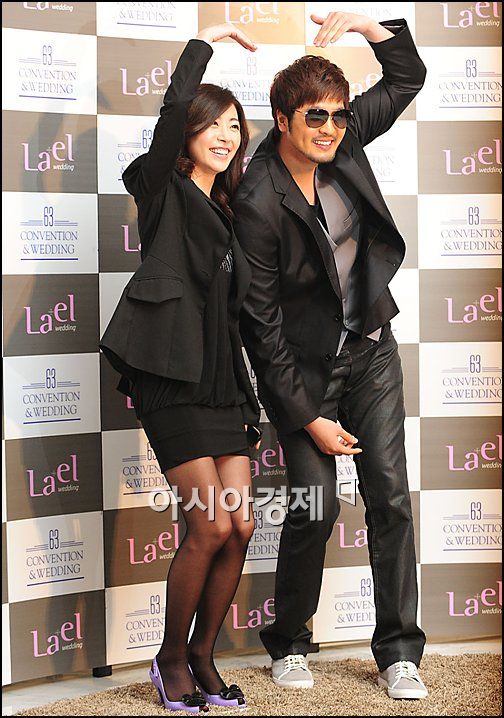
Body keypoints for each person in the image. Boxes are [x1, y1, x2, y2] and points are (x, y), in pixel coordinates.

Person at [232, 11, 428, 701]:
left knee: (391, 497)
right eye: (315, 116)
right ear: (283, 119)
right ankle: (289, 641)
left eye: (339, 115)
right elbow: (260, 326)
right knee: (314, 506)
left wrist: (372, 28)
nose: (330, 128)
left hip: (369, 347)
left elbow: (406, 78)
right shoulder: (256, 198)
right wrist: (308, 416)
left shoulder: (343, 140)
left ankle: (399, 652)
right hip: (302, 369)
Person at [99, 24, 263, 714]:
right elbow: (168, 120)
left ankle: (202, 655)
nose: (225, 136)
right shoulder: (160, 189)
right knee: (210, 526)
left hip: (223, 383)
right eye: (213, 124)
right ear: (190, 130)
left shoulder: (229, 210)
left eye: (234, 126)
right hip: (171, 377)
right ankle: (169, 659)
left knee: (241, 526)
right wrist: (202, 45)